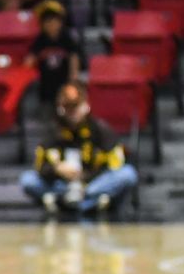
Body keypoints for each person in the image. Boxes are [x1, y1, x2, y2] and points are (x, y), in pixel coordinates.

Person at [20, 82, 138, 216]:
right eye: (68, 108)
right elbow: (40, 166)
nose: (73, 112)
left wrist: (86, 176)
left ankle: (74, 203)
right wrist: (57, 169)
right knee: (28, 180)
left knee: (127, 174)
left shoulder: (100, 130)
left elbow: (115, 164)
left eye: (76, 107)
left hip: (92, 184)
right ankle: (89, 203)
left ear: (85, 106)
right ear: (61, 109)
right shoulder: (53, 131)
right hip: (62, 184)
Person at [23, 0, 82, 109]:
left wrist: (73, 78)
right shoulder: (40, 40)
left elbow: (74, 57)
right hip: (46, 81)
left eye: (54, 21)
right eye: (47, 22)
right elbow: (30, 59)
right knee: (46, 103)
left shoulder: (67, 39)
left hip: (63, 80)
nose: (51, 25)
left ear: (60, 23)